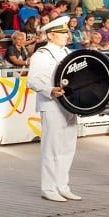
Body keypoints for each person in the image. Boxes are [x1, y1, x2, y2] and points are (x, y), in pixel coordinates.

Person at [26, 16, 82, 202]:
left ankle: (62, 185)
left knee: (68, 147)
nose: (67, 35)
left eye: (67, 32)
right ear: (50, 35)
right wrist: (50, 90)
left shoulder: (67, 52)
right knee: (52, 148)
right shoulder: (41, 55)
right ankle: (49, 188)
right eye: (62, 32)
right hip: (51, 104)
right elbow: (32, 81)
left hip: (70, 104)